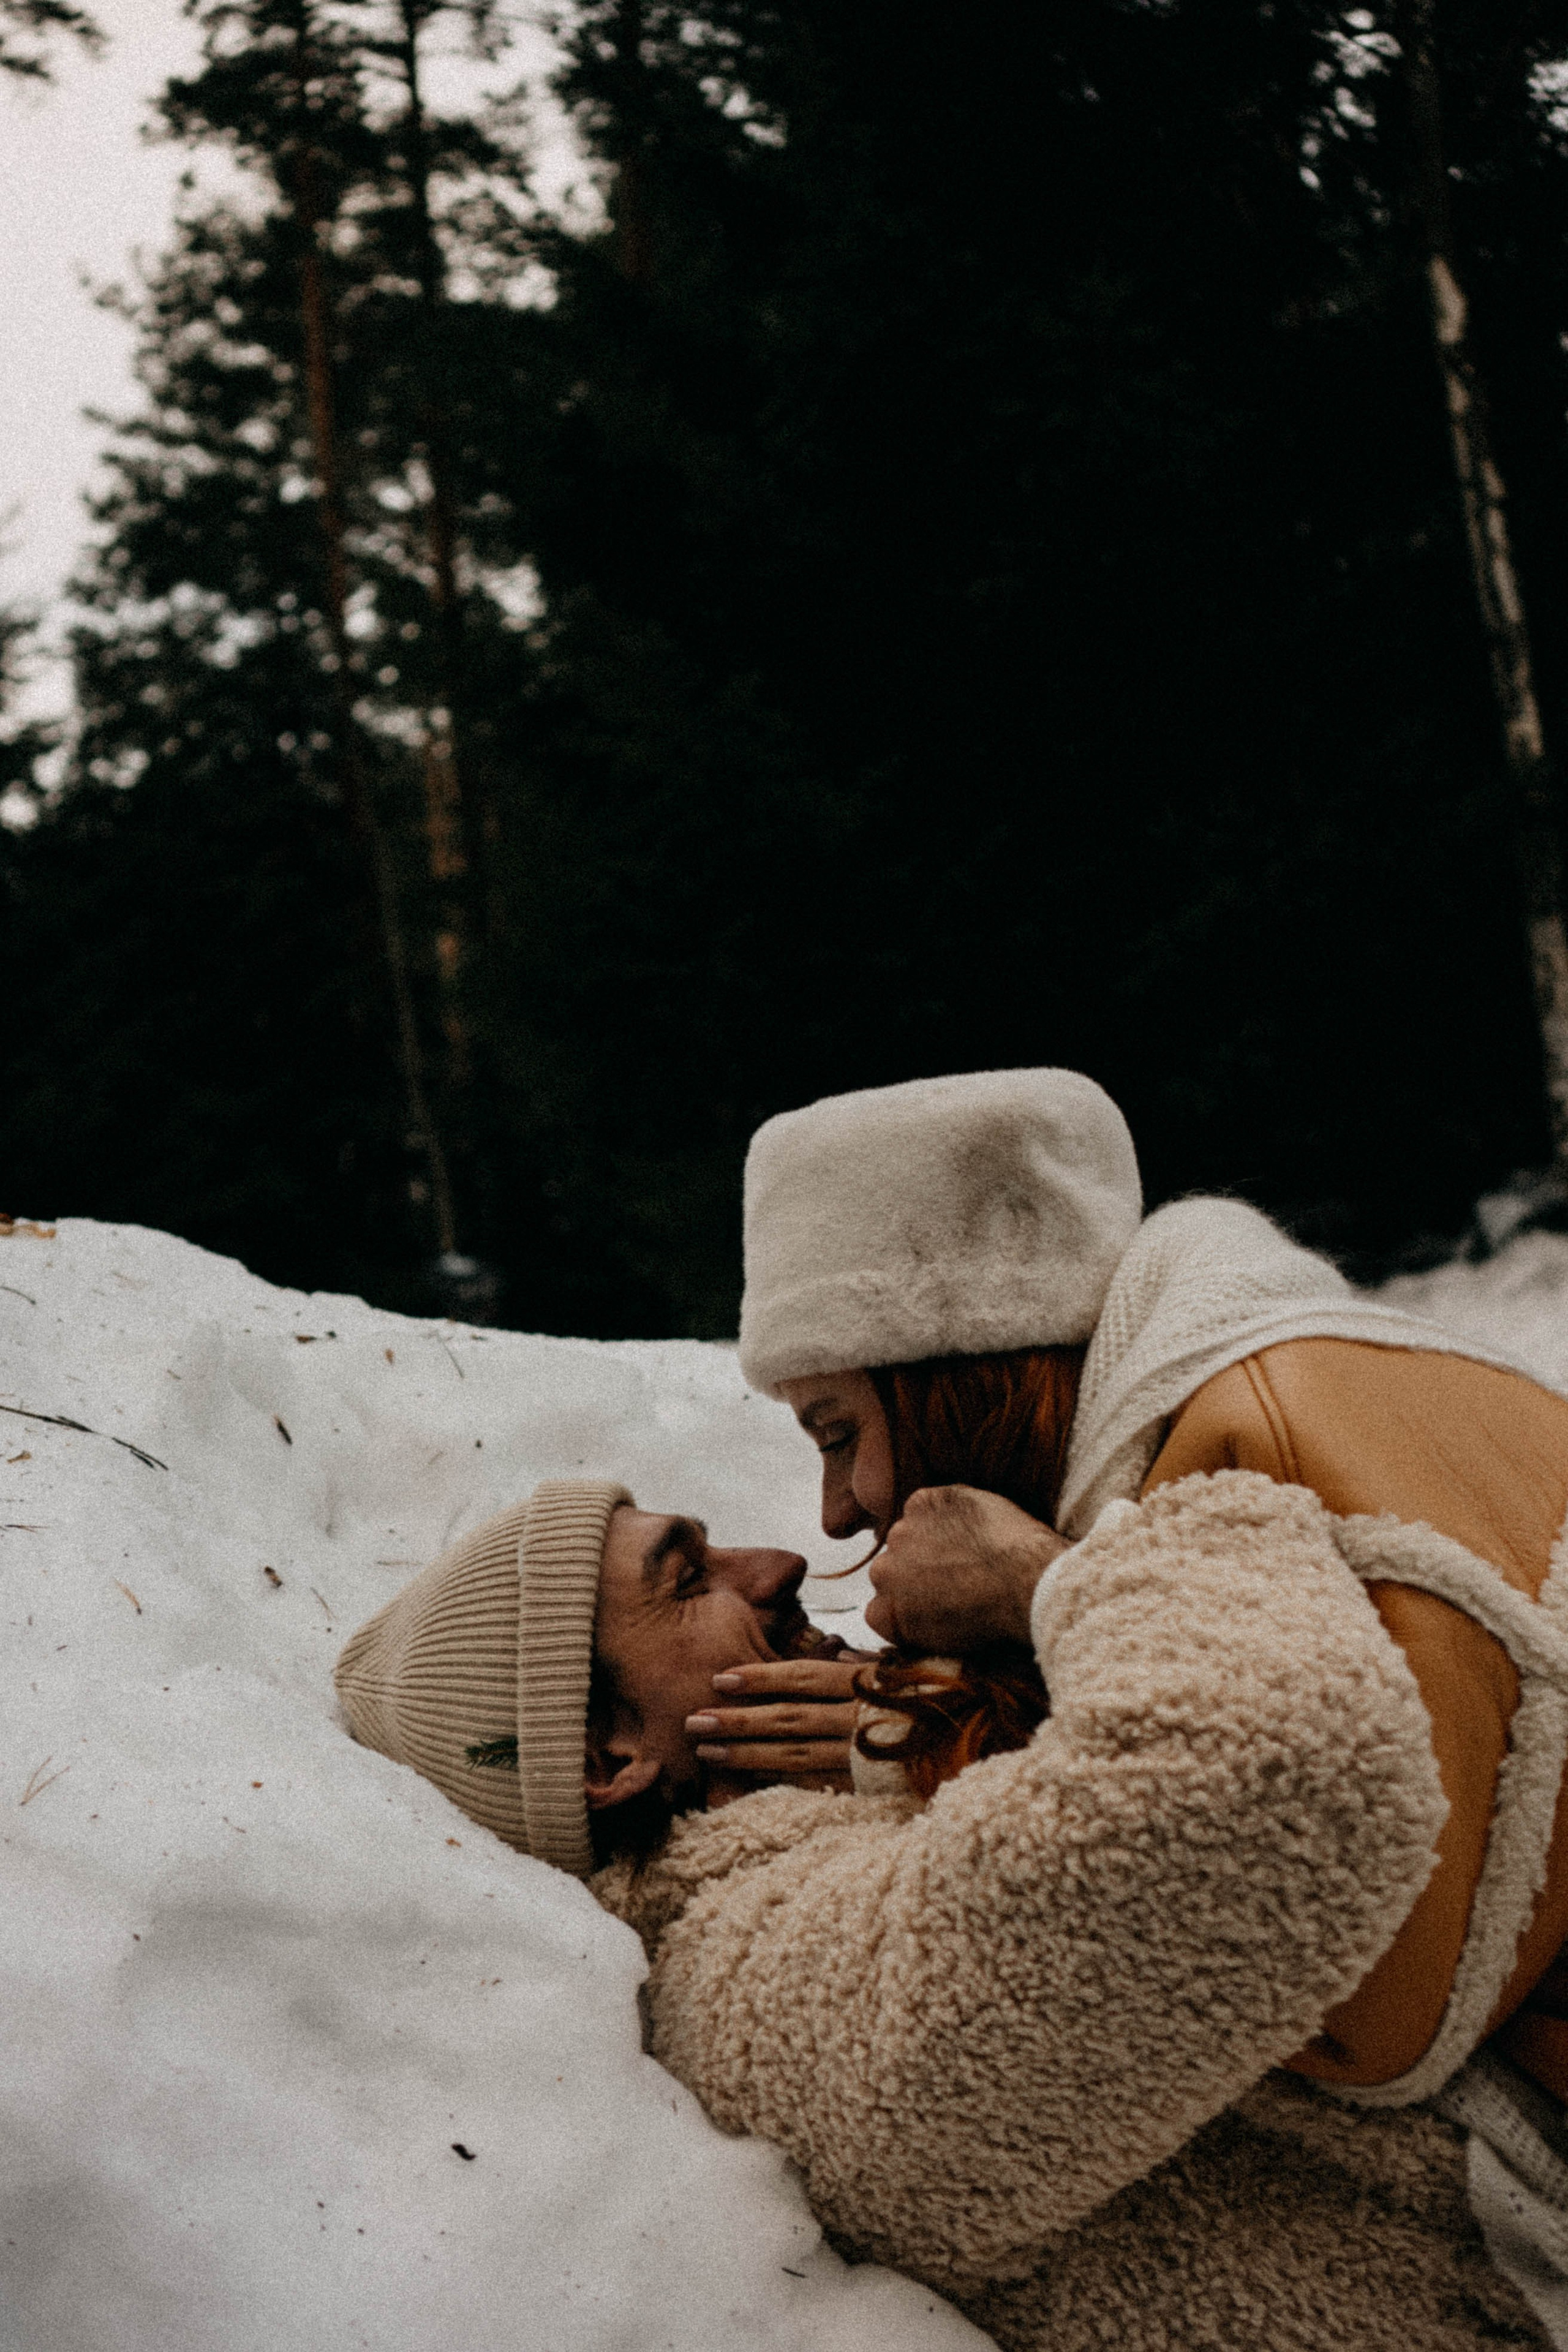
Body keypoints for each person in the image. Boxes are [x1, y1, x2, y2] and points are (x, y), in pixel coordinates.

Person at [594, 1066, 1568, 2351]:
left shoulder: (1263, 1440)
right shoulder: (1295, 1388)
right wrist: (959, 1728)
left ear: (951, 1376)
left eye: (837, 1430)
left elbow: (1367, 1995)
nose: (828, 1514)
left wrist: (1045, 1595)